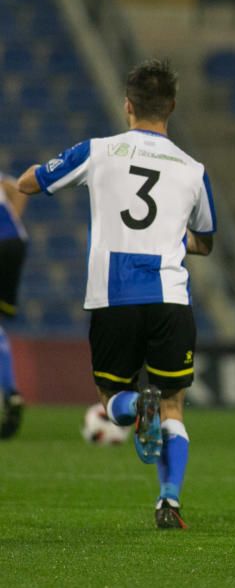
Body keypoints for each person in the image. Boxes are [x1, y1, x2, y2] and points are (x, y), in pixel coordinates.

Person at [17, 59, 216, 530]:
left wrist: (25, 181)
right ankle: (169, 500)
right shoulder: (193, 169)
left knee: (111, 397)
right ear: (171, 106)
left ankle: (131, 407)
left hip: (114, 297)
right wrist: (171, 236)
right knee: (174, 404)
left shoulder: (98, 152)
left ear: (128, 106)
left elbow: (32, 182)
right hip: (169, 298)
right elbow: (204, 242)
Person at [0, 172, 29, 439]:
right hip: (15, 244)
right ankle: (11, 393)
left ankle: (10, 393)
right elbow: (18, 187)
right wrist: (15, 216)